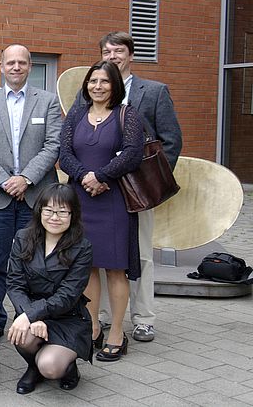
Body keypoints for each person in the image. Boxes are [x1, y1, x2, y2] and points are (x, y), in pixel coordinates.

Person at [97, 31, 182, 343]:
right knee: (103, 253)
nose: (113, 57)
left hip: (138, 190)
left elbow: (171, 141)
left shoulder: (155, 92)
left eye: (118, 51)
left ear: (130, 55)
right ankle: (104, 315)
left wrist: (153, 181)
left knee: (142, 254)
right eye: (107, 52)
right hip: (103, 188)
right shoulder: (92, 90)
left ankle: (144, 318)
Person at [0, 44, 62, 338]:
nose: (15, 67)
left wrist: (25, 179)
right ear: (1, 66)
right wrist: (5, 181)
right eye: (10, 62)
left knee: (34, 262)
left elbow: (53, 145)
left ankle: (32, 317)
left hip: (36, 197)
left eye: (21, 63)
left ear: (30, 66)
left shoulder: (47, 101)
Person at [59, 60, 144, 362]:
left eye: (104, 81)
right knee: (88, 266)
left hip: (114, 201)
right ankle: (93, 327)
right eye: (93, 81)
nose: (97, 86)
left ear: (114, 86)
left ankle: (117, 333)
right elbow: (64, 153)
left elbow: (134, 153)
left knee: (115, 268)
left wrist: (102, 176)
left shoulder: (126, 115)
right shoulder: (76, 115)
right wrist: (85, 176)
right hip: (81, 199)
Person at [7, 183, 93, 394]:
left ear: (73, 214)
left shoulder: (82, 247)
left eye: (62, 212)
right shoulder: (23, 238)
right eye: (49, 210)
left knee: (51, 367)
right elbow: (14, 284)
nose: (55, 217)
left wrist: (31, 315)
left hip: (68, 317)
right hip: (32, 310)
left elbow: (68, 295)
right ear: (40, 211)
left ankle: (68, 368)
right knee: (22, 334)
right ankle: (33, 368)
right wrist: (31, 316)